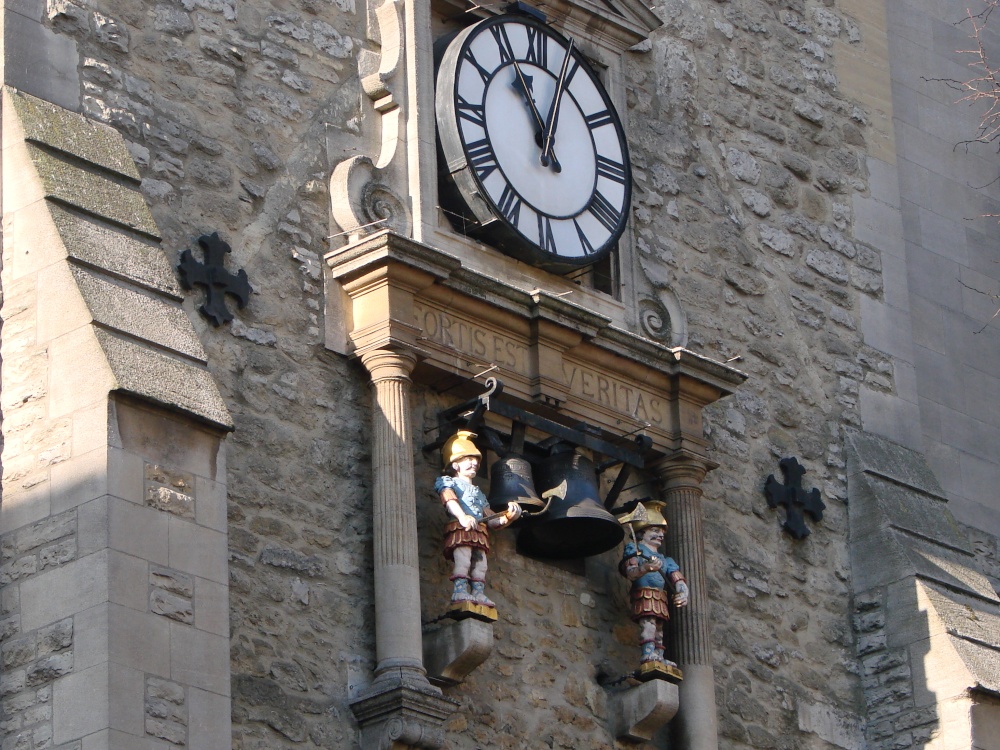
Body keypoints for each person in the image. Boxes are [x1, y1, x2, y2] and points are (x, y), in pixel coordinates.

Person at [436, 430, 521, 608]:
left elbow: (491, 519)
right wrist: (462, 517)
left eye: (476, 460)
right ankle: (460, 590)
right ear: (455, 464)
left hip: (479, 531)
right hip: (462, 528)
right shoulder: (449, 482)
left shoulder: (478, 493)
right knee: (464, 560)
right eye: (469, 459)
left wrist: (509, 517)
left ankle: (478, 593)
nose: (474, 463)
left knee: (481, 565)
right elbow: (449, 499)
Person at [619, 500, 689, 665]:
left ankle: (659, 656)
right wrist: (645, 568)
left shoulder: (665, 560)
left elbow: (677, 577)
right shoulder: (635, 550)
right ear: (642, 532)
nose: (661, 535)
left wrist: (683, 592)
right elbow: (630, 573)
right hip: (644, 593)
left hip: (660, 596)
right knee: (648, 624)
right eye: (655, 530)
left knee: (659, 629)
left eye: (662, 532)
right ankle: (648, 653)